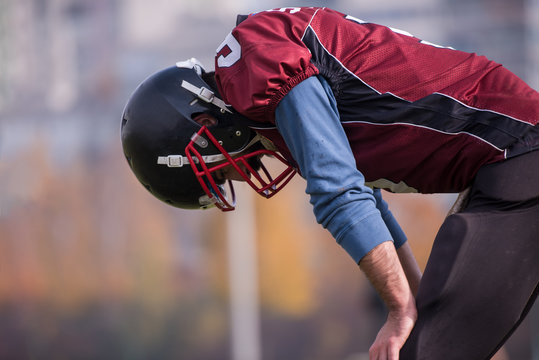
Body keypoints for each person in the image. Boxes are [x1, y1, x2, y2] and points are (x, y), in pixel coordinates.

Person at [121, 7, 539, 360]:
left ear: (202, 123)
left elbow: (339, 191)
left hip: (518, 154)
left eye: (220, 170)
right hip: (506, 164)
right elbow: (370, 203)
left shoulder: (256, 58)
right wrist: (414, 304)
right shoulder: (280, 115)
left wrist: (399, 310)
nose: (237, 175)